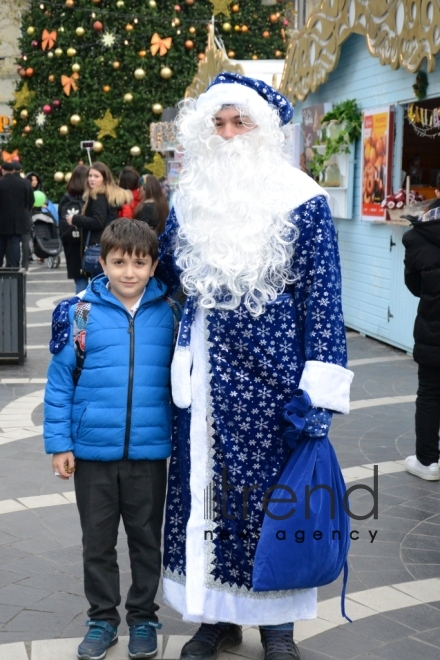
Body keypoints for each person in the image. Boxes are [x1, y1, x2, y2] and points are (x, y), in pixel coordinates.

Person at [156, 72, 354, 660]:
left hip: (276, 384)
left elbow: (323, 299)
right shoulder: (191, 199)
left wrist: (317, 395)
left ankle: (277, 625)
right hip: (206, 384)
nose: (228, 133)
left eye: (240, 121)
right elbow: (167, 272)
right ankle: (216, 616)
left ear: (264, 129)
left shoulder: (302, 198)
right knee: (206, 499)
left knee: (271, 500)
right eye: (217, 124)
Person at [44, 219, 178, 660]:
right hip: (92, 452)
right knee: (97, 542)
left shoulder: (171, 312)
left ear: (154, 265)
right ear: (102, 262)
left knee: (145, 540)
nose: (128, 272)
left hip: (150, 452)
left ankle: (143, 618)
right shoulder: (79, 312)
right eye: (118, 262)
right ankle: (102, 619)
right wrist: (60, 444)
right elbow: (60, 382)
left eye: (140, 263)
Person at [402, 206, 440, 481]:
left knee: (429, 393)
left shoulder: (417, 236)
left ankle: (428, 463)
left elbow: (415, 286)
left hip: (434, 329)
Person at [66, 162, 132, 277]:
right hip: (109, 243)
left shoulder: (98, 196)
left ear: (104, 178)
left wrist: (75, 219)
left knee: (99, 283)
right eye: (90, 176)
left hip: (98, 245)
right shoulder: (109, 194)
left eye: (96, 176)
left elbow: (97, 222)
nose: (92, 179)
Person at [58, 165, 89, 293]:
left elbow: (61, 221)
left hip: (72, 246)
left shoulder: (66, 199)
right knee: (98, 281)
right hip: (89, 243)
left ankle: (81, 312)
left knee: (80, 282)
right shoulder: (91, 198)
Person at [0, 161, 34, 267]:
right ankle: (15, 265)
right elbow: (31, 200)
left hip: (2, 219)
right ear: (13, 170)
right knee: (15, 242)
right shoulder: (25, 183)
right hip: (19, 219)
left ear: (3, 170)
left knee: (1, 242)